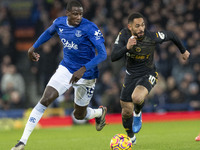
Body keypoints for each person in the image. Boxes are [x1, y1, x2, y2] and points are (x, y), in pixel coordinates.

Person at [11, 1, 107, 150]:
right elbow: (48, 32)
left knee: (79, 115)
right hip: (66, 68)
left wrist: (83, 69)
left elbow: (102, 54)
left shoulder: (90, 28)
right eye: (75, 14)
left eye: (81, 14)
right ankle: (22, 142)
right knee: (46, 98)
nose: (78, 17)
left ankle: (100, 112)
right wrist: (33, 47)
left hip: (87, 74)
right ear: (67, 13)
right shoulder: (59, 23)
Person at [111, 12, 190, 144]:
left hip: (148, 73)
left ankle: (138, 112)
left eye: (143, 25)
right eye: (137, 26)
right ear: (130, 27)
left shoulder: (151, 36)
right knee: (125, 111)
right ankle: (131, 137)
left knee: (136, 97)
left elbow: (171, 35)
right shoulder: (124, 35)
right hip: (130, 75)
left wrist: (183, 50)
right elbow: (113, 56)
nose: (141, 28)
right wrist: (127, 47)